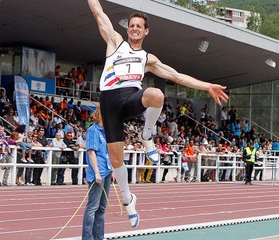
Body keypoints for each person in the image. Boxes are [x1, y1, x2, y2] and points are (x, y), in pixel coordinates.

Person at [87, 0, 229, 228]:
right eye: (131, 25)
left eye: (138, 26)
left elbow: (178, 76)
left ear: (145, 31)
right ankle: (128, 200)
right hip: (109, 101)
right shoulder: (115, 42)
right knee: (116, 160)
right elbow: (97, 11)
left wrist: (206, 86)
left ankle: (146, 135)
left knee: (157, 95)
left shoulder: (147, 58)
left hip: (131, 97)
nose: (134, 28)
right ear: (128, 28)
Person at [82, 107, 112, 240]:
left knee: (102, 207)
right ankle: (87, 238)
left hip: (106, 171)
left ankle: (99, 237)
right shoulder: (93, 131)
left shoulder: (105, 132)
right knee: (93, 207)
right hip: (97, 173)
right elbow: (91, 152)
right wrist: (97, 173)